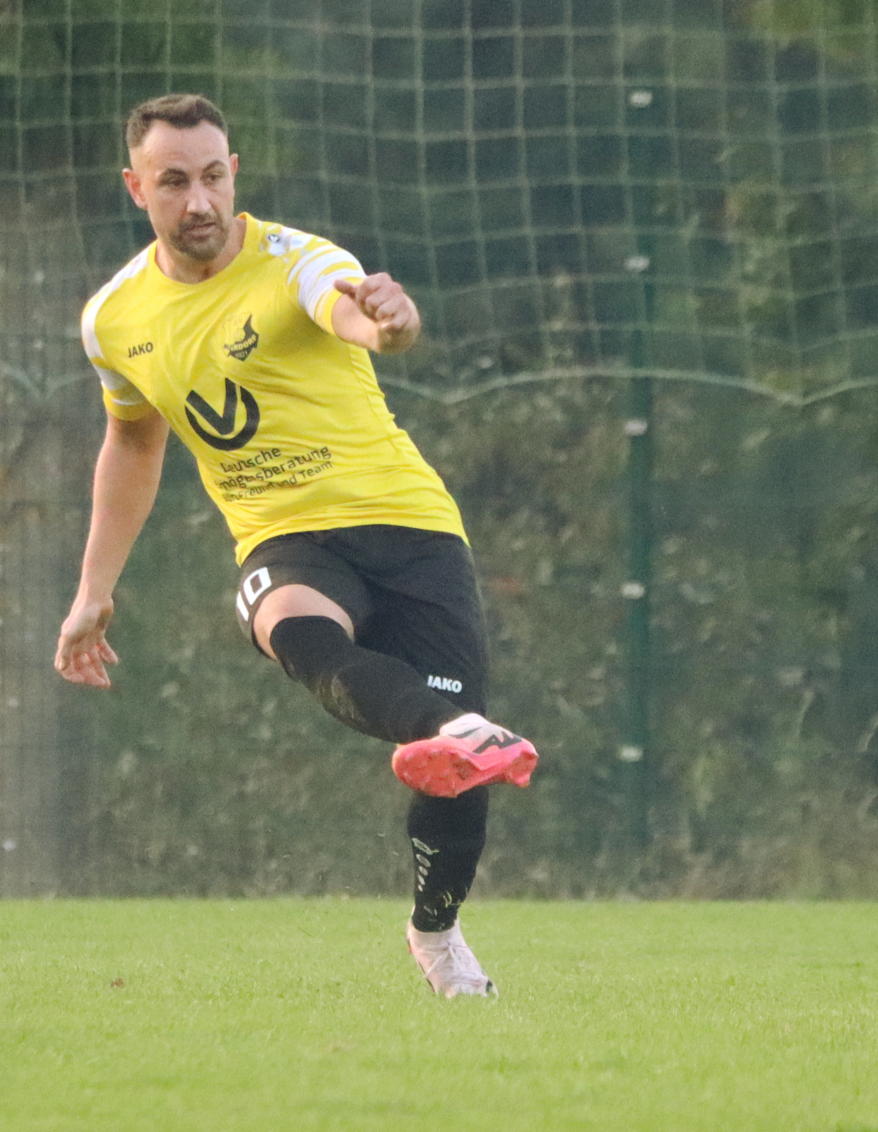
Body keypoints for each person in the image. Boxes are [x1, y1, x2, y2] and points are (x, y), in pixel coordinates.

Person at [54, 93, 538, 998]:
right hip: (284, 538)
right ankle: (450, 730)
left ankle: (435, 930)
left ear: (234, 171)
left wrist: (390, 321)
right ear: (136, 188)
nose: (200, 201)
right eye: (173, 182)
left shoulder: (300, 261)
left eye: (214, 175)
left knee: (458, 788)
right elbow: (133, 443)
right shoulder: (113, 319)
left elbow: (357, 317)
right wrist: (93, 589)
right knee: (294, 627)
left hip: (410, 527)